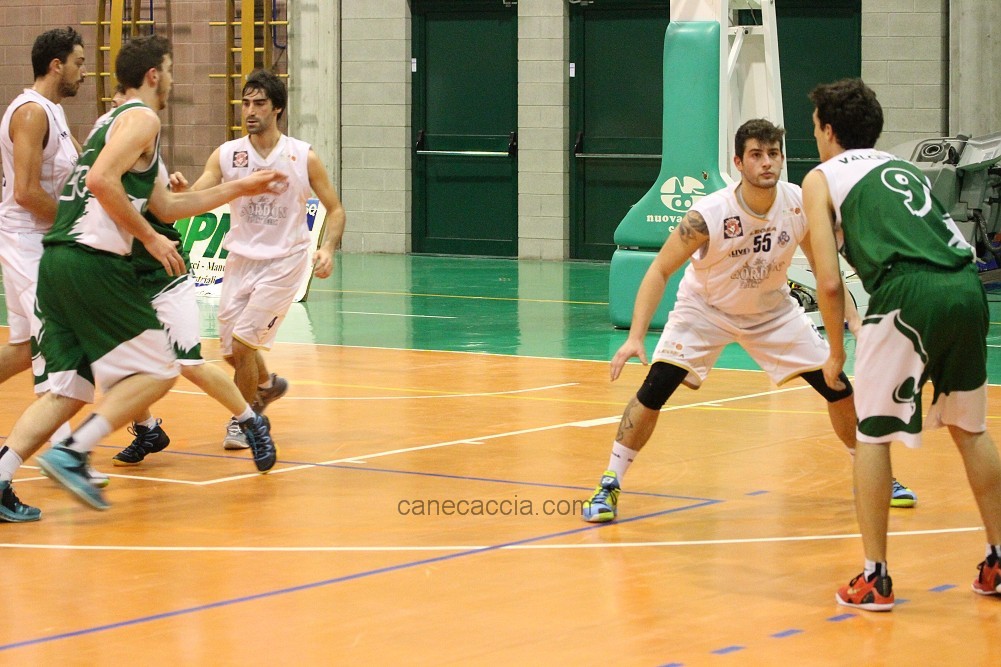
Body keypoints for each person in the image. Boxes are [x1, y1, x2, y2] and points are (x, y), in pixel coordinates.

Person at [0, 34, 284, 520]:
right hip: (93, 261)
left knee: (68, 389)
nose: (172, 80)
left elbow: (167, 206)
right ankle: (74, 452)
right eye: (169, 70)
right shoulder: (143, 118)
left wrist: (240, 187)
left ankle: (2, 473)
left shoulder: (108, 124)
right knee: (159, 369)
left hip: (56, 262)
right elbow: (100, 182)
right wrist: (150, 239)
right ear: (154, 75)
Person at [581, 118, 915, 525]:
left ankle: (875, 475)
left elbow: (823, 268)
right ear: (739, 162)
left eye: (773, 153)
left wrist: (855, 320)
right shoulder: (709, 214)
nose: (766, 162)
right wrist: (636, 336)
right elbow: (659, 270)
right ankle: (610, 482)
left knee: (837, 387)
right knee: (655, 389)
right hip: (705, 311)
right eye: (756, 155)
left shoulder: (797, 203)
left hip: (772, 313)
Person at [804, 78, 1001, 610]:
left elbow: (827, 281)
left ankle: (875, 577)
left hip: (907, 294)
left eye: (816, 127)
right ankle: (999, 560)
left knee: (871, 435)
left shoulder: (821, 178)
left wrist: (836, 352)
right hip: (966, 287)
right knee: (971, 428)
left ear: (828, 129)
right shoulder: (902, 167)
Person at [189, 69, 345, 449]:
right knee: (231, 352)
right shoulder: (227, 154)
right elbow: (198, 194)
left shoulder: (301, 156)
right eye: (245, 103)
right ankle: (266, 384)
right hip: (240, 260)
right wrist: (180, 193)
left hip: (284, 262)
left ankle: (243, 423)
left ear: (277, 108)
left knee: (243, 347)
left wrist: (327, 248)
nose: (250, 111)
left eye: (259, 103)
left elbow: (336, 209)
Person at [0, 28, 113, 506]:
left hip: (40, 243)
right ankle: (65, 453)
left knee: (24, 349)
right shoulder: (30, 113)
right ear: (55, 65)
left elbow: (76, 175)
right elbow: (26, 192)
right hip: (27, 243)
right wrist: (77, 223)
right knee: (59, 353)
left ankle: (63, 450)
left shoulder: (54, 112)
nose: (84, 72)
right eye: (79, 63)